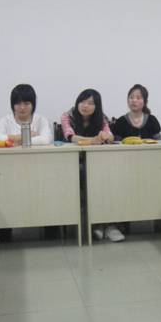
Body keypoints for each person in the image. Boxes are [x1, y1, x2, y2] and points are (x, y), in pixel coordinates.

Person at [61, 89, 123, 242]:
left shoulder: (102, 118)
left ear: (97, 106)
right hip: (74, 163)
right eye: (82, 101)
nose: (85, 106)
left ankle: (108, 225)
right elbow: (70, 136)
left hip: (98, 163)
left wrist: (106, 136)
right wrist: (92, 140)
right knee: (90, 176)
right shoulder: (67, 116)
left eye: (90, 103)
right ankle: (95, 225)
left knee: (110, 177)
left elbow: (110, 136)